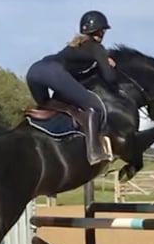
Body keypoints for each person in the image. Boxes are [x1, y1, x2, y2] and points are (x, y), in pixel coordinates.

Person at [26, 10, 117, 165]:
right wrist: (111, 66)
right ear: (101, 31)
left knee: (47, 104)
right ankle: (94, 151)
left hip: (34, 71)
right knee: (95, 107)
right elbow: (109, 78)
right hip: (53, 73)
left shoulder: (76, 45)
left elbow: (74, 76)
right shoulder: (97, 48)